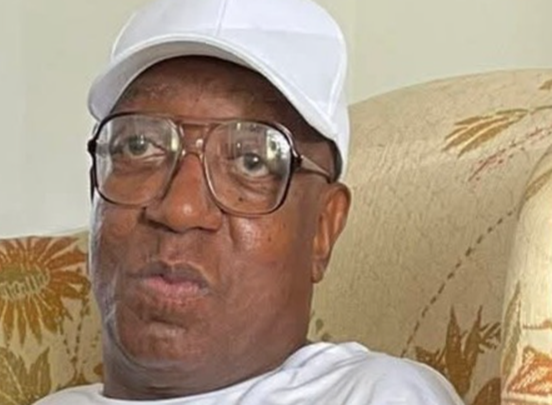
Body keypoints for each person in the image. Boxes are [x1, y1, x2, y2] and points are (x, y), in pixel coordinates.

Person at [36, 0, 464, 403]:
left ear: (322, 229)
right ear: (95, 190)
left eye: (252, 161)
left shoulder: (374, 394)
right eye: (139, 146)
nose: (180, 209)